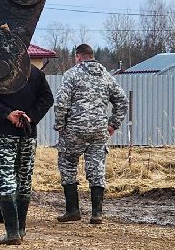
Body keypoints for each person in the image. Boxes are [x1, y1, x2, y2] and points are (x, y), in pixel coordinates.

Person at [52, 44, 129, 225]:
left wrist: (60, 126)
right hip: (99, 130)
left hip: (74, 129)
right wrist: (113, 125)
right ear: (92, 56)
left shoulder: (72, 74)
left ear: (78, 56)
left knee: (68, 165)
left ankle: (73, 210)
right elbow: (122, 102)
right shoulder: (106, 76)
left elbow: (61, 103)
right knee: (97, 168)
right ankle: (96, 213)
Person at [0, 63, 54, 245]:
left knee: (5, 179)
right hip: (27, 133)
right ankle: (20, 229)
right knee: (24, 179)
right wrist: (30, 117)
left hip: (2, 132)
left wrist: (7, 114)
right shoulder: (35, 72)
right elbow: (47, 98)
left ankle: (12, 232)